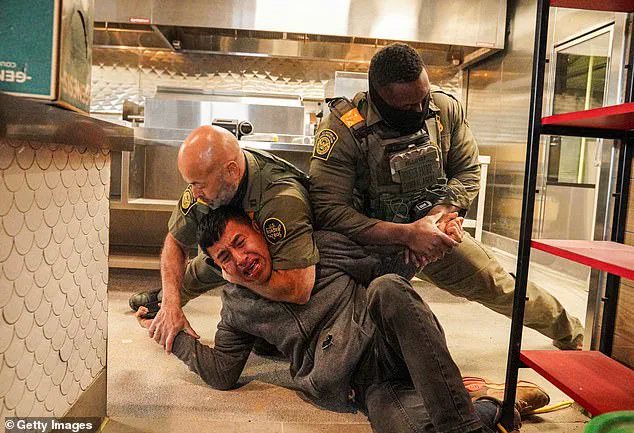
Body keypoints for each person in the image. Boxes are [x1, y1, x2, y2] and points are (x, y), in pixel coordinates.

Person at [134, 206, 549, 433]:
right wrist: (172, 333)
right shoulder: (238, 309)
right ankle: (490, 407)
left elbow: (389, 269)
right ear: (218, 267)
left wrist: (428, 234)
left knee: (387, 288)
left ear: (259, 228)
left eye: (240, 242)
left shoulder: (320, 248)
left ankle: (463, 426)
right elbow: (222, 373)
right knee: (404, 429)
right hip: (366, 386)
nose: (241, 259)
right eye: (225, 256)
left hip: (391, 341)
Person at [309, 42, 584, 350]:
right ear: (379, 97)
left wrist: (437, 218)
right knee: (348, 324)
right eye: (407, 107)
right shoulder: (343, 129)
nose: (419, 110)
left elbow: (467, 171)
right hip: (367, 246)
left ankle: (572, 335)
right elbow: (329, 209)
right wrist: (407, 234)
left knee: (499, 285)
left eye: (423, 98)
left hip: (435, 236)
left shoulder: (443, 109)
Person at [130, 125, 319, 353]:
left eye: (199, 184)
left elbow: (298, 288)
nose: (194, 193)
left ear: (231, 172)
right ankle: (160, 301)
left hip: (286, 260)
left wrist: (236, 277)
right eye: (191, 183)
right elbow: (176, 241)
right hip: (236, 256)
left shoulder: (281, 197)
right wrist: (171, 304)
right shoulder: (205, 185)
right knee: (203, 268)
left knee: (261, 319)